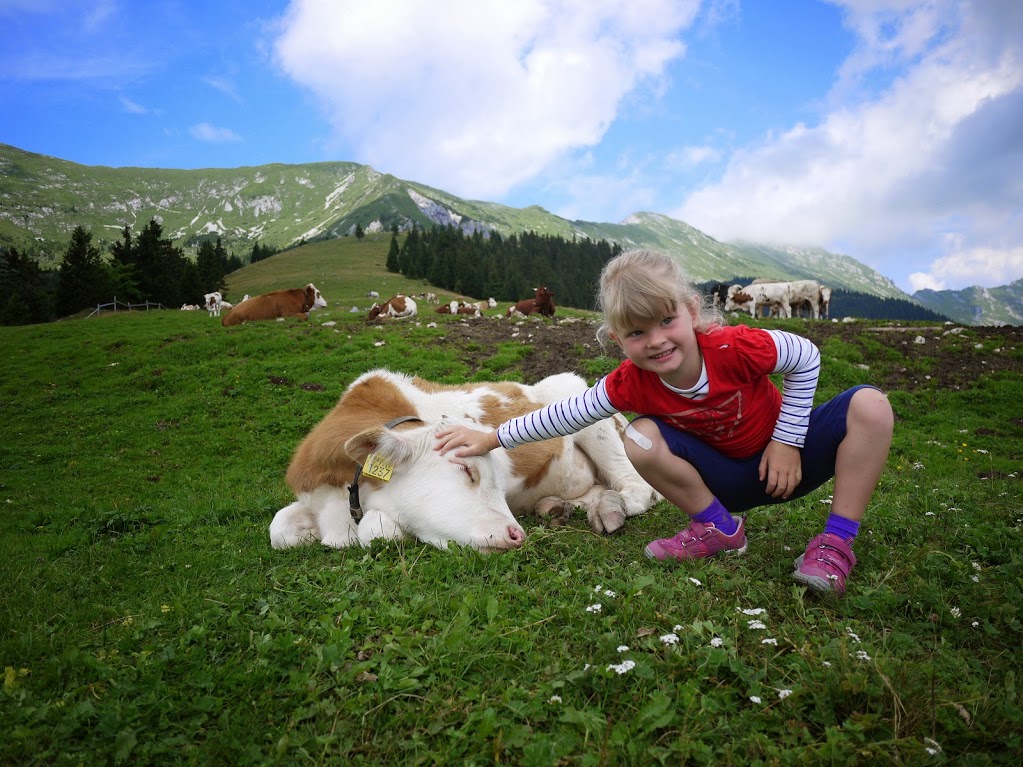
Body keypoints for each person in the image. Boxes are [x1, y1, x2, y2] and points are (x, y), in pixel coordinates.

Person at [435, 249, 894, 595]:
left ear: (691, 312)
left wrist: (788, 440)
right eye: (636, 332)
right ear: (618, 339)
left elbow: (806, 356)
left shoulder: (735, 346)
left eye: (666, 321)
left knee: (870, 405)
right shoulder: (630, 382)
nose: (655, 341)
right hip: (726, 482)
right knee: (639, 436)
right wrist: (492, 437)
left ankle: (835, 543)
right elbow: (565, 414)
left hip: (788, 461)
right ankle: (717, 528)